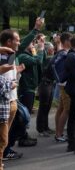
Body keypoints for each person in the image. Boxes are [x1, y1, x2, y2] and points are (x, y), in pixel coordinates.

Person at [1, 17, 43, 160]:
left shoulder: (13, 55)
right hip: (6, 99)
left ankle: (7, 150)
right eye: (17, 40)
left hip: (13, 97)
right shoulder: (5, 55)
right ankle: (5, 152)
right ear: (8, 42)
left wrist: (17, 72)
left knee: (20, 121)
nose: (20, 42)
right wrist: (36, 28)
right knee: (11, 127)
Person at [54, 32, 73, 143]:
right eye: (71, 40)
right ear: (66, 41)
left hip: (61, 83)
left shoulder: (60, 52)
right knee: (67, 109)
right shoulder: (65, 54)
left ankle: (58, 132)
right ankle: (59, 134)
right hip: (65, 84)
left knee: (61, 108)